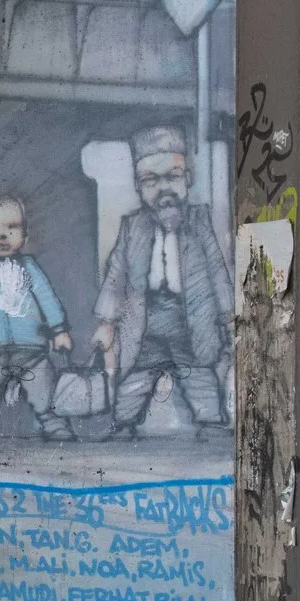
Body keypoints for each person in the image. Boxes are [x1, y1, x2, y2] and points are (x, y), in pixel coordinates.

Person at [92, 126, 232, 439]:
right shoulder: (134, 226)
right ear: (138, 187)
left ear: (188, 179)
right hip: (147, 320)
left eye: (172, 176)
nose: (163, 189)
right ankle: (123, 422)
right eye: (151, 181)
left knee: (199, 374)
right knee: (136, 377)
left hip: (189, 319)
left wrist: (228, 316)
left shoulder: (199, 223)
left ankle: (210, 423)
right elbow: (116, 274)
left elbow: (217, 272)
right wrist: (106, 321)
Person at [0, 195, 74, 441]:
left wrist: (59, 329)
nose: (2, 235)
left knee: (43, 388)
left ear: (24, 235)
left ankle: (53, 423)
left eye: (12, 227)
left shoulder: (30, 268)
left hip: (32, 347)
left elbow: (47, 298)